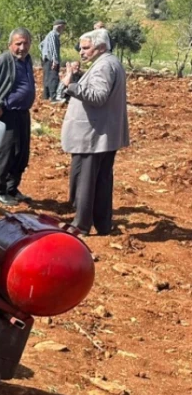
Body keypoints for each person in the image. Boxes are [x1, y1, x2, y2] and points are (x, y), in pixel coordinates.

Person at [60, 29, 129, 236]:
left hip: (93, 135)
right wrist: (80, 77)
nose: (81, 52)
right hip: (104, 135)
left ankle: (81, 225)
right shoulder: (110, 62)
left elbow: (98, 96)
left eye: (85, 47)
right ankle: (103, 224)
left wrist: (70, 85)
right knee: (102, 180)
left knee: (85, 180)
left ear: (100, 47)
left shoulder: (104, 66)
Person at [0, 28, 36, 206]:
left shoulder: (27, 61)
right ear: (10, 44)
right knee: (5, 153)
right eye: (18, 44)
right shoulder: (2, 61)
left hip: (23, 113)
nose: (22, 47)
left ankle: (12, 188)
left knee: (21, 153)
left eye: (25, 43)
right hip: (7, 113)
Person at [39, 20, 66, 101]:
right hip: (51, 60)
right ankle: (54, 98)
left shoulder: (49, 35)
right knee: (53, 78)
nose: (63, 30)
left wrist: (44, 54)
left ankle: (46, 96)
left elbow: (40, 45)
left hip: (46, 59)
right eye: (63, 27)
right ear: (59, 27)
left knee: (47, 78)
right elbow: (53, 48)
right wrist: (55, 60)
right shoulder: (53, 35)